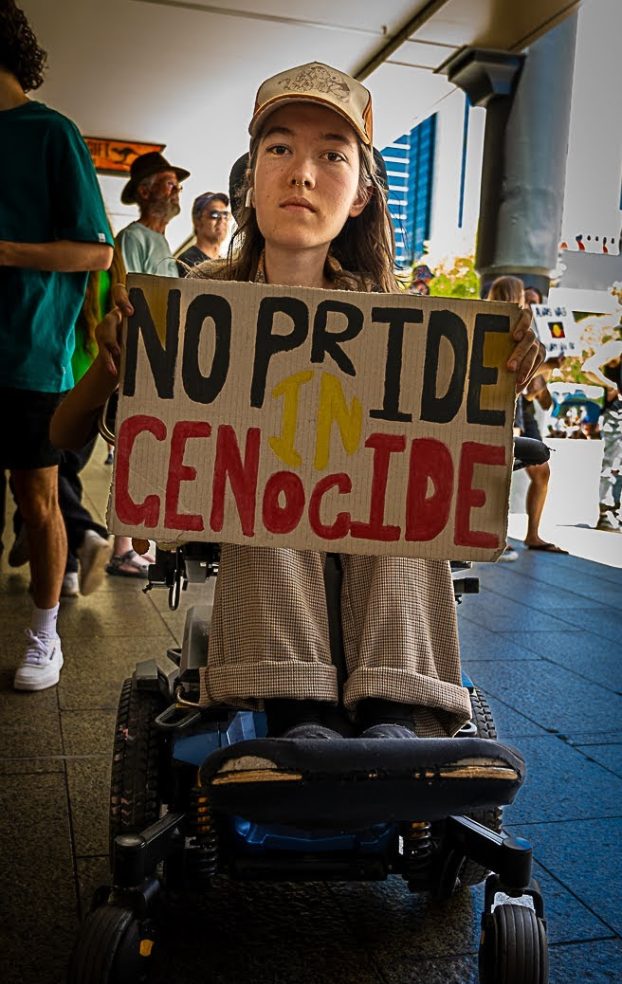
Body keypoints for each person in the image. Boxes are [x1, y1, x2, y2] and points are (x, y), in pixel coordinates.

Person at [52, 61, 544, 739]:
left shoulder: (406, 327)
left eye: (331, 155)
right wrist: (112, 364)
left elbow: (454, 432)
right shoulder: (188, 311)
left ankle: (398, 712)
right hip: (254, 524)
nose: (302, 173)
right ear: (251, 179)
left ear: (363, 194)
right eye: (279, 148)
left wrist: (508, 361)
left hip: (371, 529)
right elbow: (62, 431)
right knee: (273, 484)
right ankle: (294, 712)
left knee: (394, 489)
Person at [0, 0, 113, 690]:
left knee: (38, 497)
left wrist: (6, 251)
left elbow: (94, 254)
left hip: (27, 353)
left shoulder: (50, 133)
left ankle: (45, 638)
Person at [109, 151, 190, 578]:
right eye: (167, 182)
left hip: (158, 358)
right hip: (141, 357)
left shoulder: (160, 242)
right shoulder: (134, 237)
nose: (175, 190)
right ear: (144, 192)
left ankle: (137, 543)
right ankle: (124, 546)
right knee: (133, 447)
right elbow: (133, 298)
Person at [487, 276, 567, 557]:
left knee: (539, 470)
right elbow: (510, 369)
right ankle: (497, 535)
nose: (532, 304)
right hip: (505, 408)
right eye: (527, 298)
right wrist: (548, 366)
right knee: (499, 474)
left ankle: (531, 534)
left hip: (522, 409)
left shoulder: (527, 328)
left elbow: (531, 390)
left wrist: (547, 369)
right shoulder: (501, 325)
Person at [582, 338, 622, 531]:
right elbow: (588, 368)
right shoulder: (618, 347)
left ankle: (616, 513)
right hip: (617, 413)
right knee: (613, 464)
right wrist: (613, 385)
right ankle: (606, 512)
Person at [178, 191, 230, 274]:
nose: (222, 220)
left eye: (225, 215)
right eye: (214, 214)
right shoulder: (187, 262)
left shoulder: (225, 264)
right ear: (197, 221)